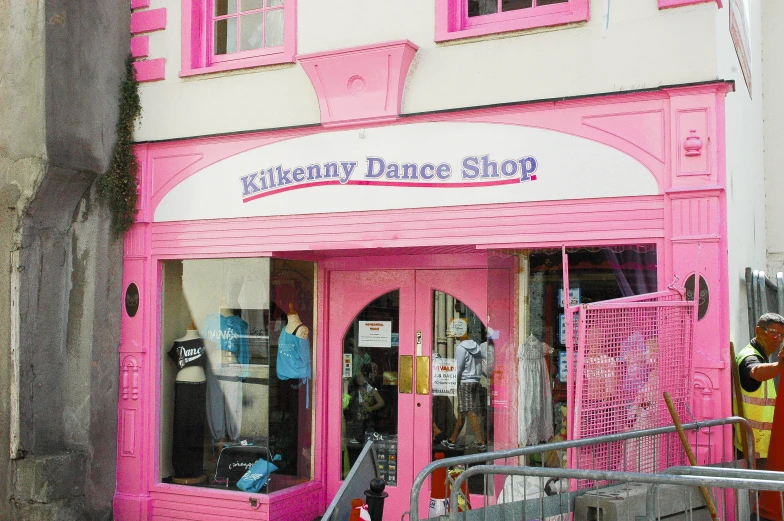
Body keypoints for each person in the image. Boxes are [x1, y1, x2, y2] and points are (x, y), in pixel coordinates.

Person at [735, 313, 784, 467]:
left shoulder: (761, 355)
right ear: (758, 331)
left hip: (760, 445)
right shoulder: (749, 356)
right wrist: (778, 366)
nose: (777, 339)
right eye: (773, 332)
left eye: (782, 335)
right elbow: (755, 371)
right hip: (751, 448)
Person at [167, 322, 207, 483]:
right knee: (181, 426)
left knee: (197, 427)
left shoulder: (205, 342)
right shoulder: (178, 343)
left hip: (200, 384)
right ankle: (181, 467)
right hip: (182, 384)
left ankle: (195, 467)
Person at [441, 339, 487, 452]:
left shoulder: (461, 348)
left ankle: (480, 442)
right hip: (475, 380)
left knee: (469, 411)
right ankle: (452, 440)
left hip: (465, 381)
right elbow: (480, 364)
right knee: (462, 411)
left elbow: (458, 367)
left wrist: (452, 382)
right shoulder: (477, 347)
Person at [347, 365, 385, 443]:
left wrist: (370, 408)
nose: (359, 379)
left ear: (366, 376)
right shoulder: (354, 390)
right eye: (357, 377)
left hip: (368, 422)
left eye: (361, 376)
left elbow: (381, 402)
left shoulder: (370, 389)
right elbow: (348, 402)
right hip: (356, 423)